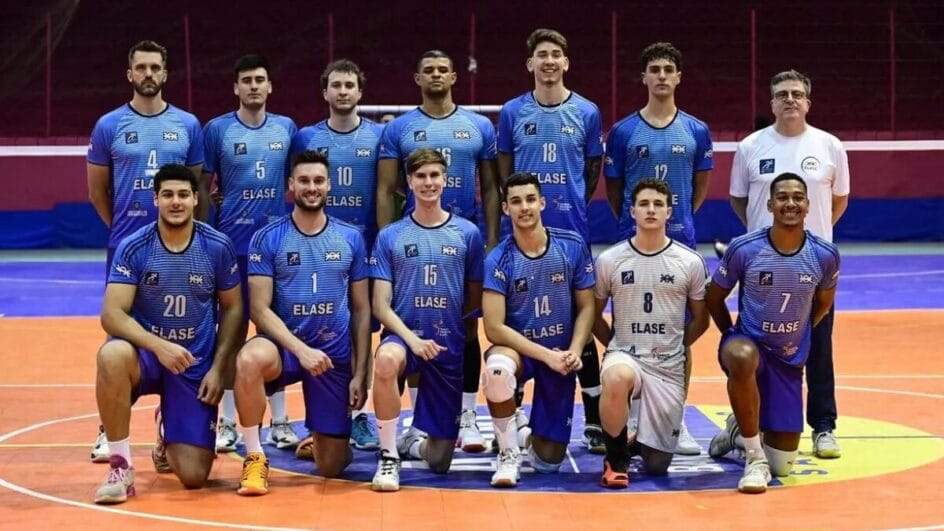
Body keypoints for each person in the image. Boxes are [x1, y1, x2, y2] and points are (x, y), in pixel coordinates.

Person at [93, 164, 242, 504]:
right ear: (156, 199)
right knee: (111, 355)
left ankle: (168, 427)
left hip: (194, 362)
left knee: (193, 477)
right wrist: (159, 347)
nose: (176, 202)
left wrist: (219, 369)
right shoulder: (134, 247)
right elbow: (112, 315)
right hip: (148, 356)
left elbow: (233, 309)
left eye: (183, 195)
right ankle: (120, 465)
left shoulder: (217, 246)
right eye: (168, 195)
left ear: (195, 199)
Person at [87, 39, 205, 464]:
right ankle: (110, 430)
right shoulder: (108, 125)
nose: (148, 74)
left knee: (181, 330)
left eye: (156, 67)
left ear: (165, 73)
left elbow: (196, 188)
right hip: (128, 249)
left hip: (181, 248)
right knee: (120, 338)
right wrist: (126, 232)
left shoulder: (188, 125)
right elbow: (98, 191)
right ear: (130, 73)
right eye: (141, 67)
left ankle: (168, 423)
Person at [376, 50, 498, 452]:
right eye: (428, 69)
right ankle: (414, 420)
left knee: (466, 328)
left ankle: (467, 416)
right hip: (416, 241)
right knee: (415, 329)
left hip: (464, 241)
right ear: (417, 78)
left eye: (442, 69)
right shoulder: (400, 129)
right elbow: (387, 188)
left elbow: (491, 187)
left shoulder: (479, 125)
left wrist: (492, 237)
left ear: (454, 76)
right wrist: (386, 242)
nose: (436, 75)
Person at [233, 150, 370, 495]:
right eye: (304, 181)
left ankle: (321, 437)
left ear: (329, 186)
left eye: (319, 181)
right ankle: (254, 455)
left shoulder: (351, 237)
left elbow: (362, 309)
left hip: (333, 355)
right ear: (291, 185)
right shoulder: (267, 238)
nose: (312, 187)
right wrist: (302, 350)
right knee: (250, 359)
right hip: (286, 349)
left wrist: (359, 374)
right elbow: (259, 310)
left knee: (333, 466)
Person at [728, 69, 850, 458]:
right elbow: (740, 201)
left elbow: (839, 200)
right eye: (782, 94)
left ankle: (823, 427)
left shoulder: (830, 146)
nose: (790, 100)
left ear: (808, 102)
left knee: (818, 348)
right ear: (772, 103)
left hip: (811, 271)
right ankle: (743, 423)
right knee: (754, 350)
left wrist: (811, 241)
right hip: (761, 269)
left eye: (797, 93)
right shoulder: (750, 147)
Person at [496, 28, 606, 453]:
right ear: (530, 64)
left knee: (583, 320)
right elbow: (506, 170)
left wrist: (569, 204)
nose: (548, 62)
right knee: (522, 322)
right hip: (522, 238)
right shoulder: (510, 112)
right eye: (541, 55)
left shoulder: (587, 112)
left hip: (571, 233)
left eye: (556, 55)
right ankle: (517, 412)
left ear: (566, 63)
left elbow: (591, 170)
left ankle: (595, 419)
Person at [603, 42, 713, 455]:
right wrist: (636, 222)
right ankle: (630, 419)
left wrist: (673, 219)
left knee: (676, 337)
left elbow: (699, 188)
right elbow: (614, 190)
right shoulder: (624, 131)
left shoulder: (697, 130)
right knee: (628, 332)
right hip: (630, 244)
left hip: (680, 239)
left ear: (678, 77)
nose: (663, 75)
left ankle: (673, 419)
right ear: (644, 78)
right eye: (655, 69)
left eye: (669, 68)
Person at [707, 172, 840, 493]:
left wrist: (799, 333)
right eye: (782, 197)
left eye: (797, 197)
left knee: (782, 461)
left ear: (808, 204)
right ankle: (754, 457)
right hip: (749, 344)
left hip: (788, 358)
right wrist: (731, 334)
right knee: (740, 356)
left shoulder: (825, 255)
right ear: (770, 204)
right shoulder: (745, 248)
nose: (790, 203)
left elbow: (822, 304)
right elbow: (713, 297)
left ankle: (738, 432)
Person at [369, 148, 484, 492]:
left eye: (435, 175)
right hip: (405, 338)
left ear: (446, 180)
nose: (428, 182)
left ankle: (410, 445)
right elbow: (380, 305)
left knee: (440, 461)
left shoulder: (467, 234)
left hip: (446, 346)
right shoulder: (391, 235)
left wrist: (449, 330)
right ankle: (388, 457)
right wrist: (413, 338)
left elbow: (474, 297)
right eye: (420, 176)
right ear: (409, 181)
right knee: (387, 361)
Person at [202, 53, 299, 454]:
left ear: (270, 85)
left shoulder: (287, 129)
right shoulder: (217, 130)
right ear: (236, 87)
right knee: (231, 331)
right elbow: (204, 187)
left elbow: (297, 179)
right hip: (232, 249)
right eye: (247, 80)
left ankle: (279, 420)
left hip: (275, 250)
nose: (254, 86)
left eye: (260, 79)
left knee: (273, 333)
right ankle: (226, 421)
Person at [290, 59, 383, 453]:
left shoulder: (380, 137)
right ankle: (312, 420)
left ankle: (360, 415)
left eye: (350, 85)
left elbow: (388, 190)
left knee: (363, 329)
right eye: (336, 85)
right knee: (316, 329)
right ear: (324, 92)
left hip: (363, 250)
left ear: (360, 92)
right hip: (314, 248)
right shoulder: (306, 138)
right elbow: (294, 187)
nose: (343, 91)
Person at [592, 178, 709, 488]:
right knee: (616, 376)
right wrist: (615, 347)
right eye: (644, 204)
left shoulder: (690, 262)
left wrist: (676, 347)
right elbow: (593, 313)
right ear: (632, 212)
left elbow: (701, 319)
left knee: (657, 465)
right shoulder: (610, 260)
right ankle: (616, 459)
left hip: (667, 364)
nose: (651, 210)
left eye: (658, 204)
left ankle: (636, 440)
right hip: (626, 356)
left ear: (669, 212)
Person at [481, 172, 595, 488]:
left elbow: (587, 307)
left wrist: (573, 350)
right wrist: (546, 356)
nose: (524, 207)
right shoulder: (498, 259)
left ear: (542, 202)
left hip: (561, 355)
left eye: (530, 199)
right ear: (506, 209)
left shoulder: (571, 246)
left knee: (548, 463)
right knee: (498, 370)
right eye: (515, 201)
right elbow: (493, 328)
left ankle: (524, 433)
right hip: (523, 352)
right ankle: (507, 453)